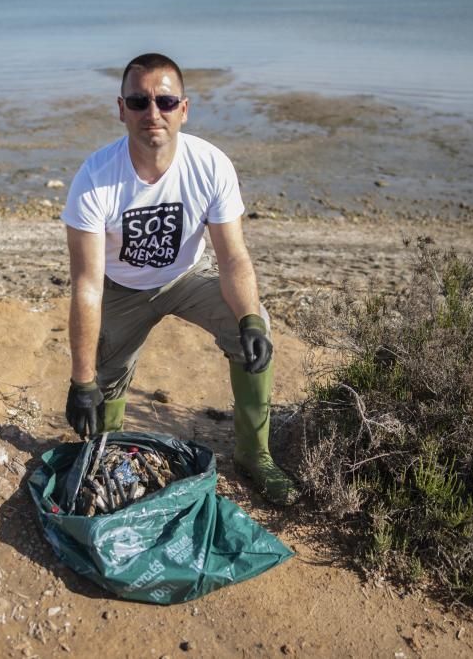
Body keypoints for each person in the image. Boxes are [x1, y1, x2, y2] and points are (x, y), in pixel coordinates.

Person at [60, 53, 297, 506]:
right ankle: (102, 459)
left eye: (166, 101)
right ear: (121, 108)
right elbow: (87, 285)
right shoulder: (94, 179)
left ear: (183, 109)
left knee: (254, 328)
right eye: (139, 101)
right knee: (102, 384)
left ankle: (254, 456)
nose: (153, 113)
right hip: (120, 289)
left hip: (189, 276)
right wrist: (81, 380)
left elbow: (233, 257)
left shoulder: (210, 165)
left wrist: (248, 318)